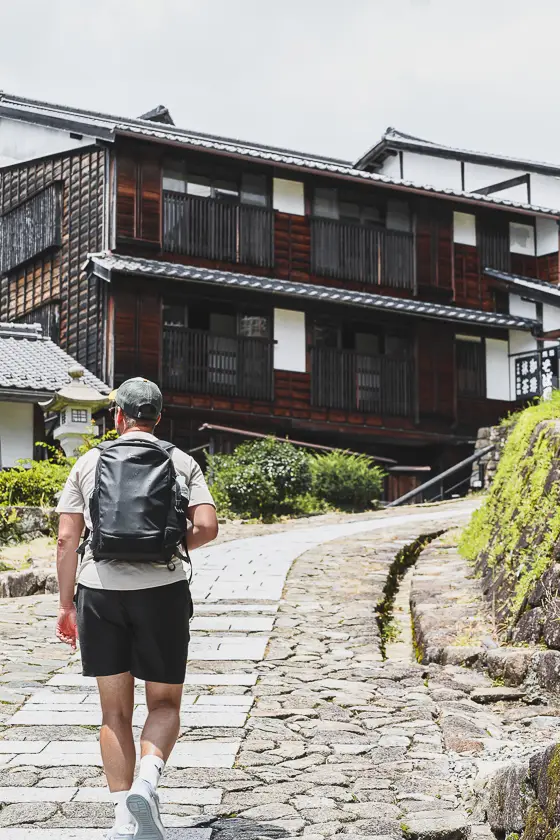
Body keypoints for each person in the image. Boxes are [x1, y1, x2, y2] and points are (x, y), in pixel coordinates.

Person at [55, 377, 218, 840]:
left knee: (114, 713)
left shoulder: (89, 461)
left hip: (99, 591)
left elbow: (68, 538)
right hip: (162, 591)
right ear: (158, 418)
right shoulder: (181, 460)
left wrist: (66, 605)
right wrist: (166, 545)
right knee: (164, 703)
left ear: (118, 416)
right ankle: (147, 784)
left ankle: (123, 819)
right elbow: (206, 527)